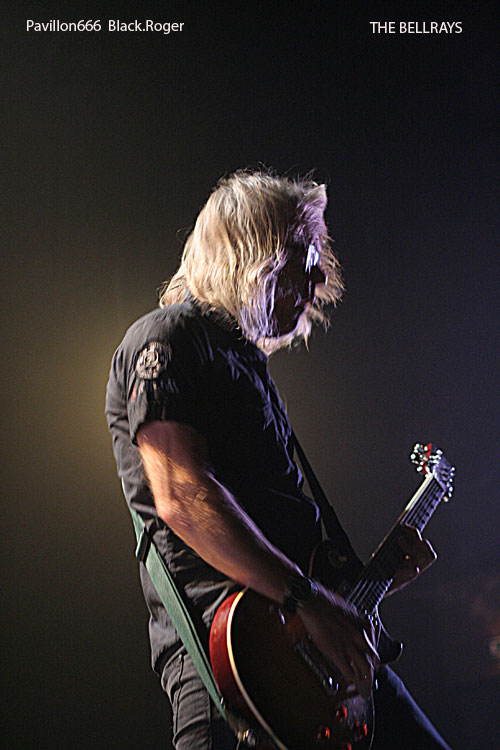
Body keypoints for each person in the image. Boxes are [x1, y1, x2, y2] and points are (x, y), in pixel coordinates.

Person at [105, 169, 451, 749]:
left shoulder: (247, 366)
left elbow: (284, 537)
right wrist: (308, 600)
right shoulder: (166, 337)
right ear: (253, 251)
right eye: (304, 256)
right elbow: (182, 497)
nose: (319, 278)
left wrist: (369, 584)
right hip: (234, 664)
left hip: (311, 652)